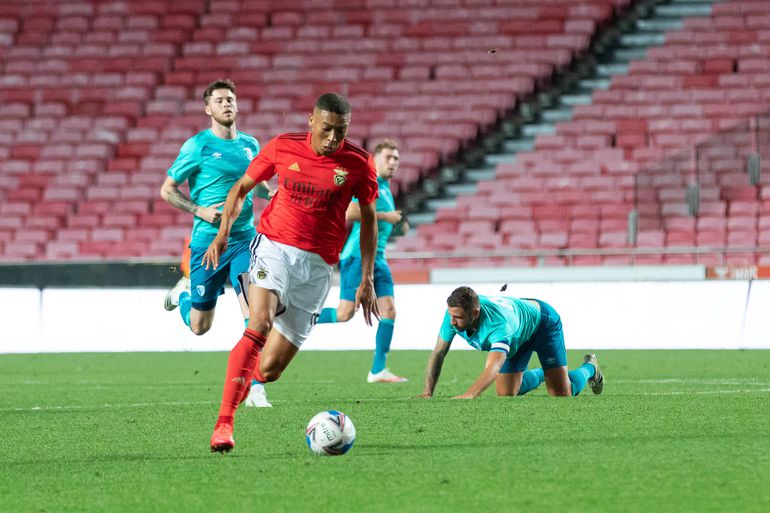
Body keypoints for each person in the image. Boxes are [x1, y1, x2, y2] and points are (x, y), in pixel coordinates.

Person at [203, 92, 380, 453]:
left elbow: (370, 220)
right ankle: (224, 423)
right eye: (327, 129)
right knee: (258, 325)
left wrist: (367, 278)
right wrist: (222, 234)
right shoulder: (283, 147)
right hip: (274, 248)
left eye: (341, 131)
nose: (333, 138)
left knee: (269, 370)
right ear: (311, 121)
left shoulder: (359, 164)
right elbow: (241, 188)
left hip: (317, 269)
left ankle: (244, 378)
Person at [159, 79, 273, 407]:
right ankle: (183, 295)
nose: (226, 104)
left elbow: (256, 182)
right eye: (219, 100)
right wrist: (198, 210)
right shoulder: (197, 146)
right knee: (200, 326)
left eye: (230, 99)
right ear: (207, 109)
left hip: (244, 241)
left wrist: (272, 193)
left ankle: (255, 387)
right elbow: (167, 189)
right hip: (207, 243)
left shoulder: (250, 144)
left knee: (255, 313)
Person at [317, 138, 409, 383]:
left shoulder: (386, 188)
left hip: (379, 258)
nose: (393, 162)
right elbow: (351, 212)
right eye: (388, 157)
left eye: (396, 158)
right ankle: (299, 317)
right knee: (345, 313)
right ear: (374, 159)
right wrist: (387, 216)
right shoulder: (370, 182)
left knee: (389, 310)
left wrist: (397, 226)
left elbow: (378, 222)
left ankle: (378, 370)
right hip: (358, 255)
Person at [420, 286, 604, 399]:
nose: (452, 322)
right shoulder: (453, 315)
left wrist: (470, 394)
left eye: (458, 317)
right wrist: (428, 392)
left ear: (475, 313)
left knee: (562, 393)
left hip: (542, 323)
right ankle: (546, 373)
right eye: (451, 315)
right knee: (506, 393)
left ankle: (590, 367)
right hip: (518, 328)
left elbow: (494, 365)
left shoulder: (498, 325)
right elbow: (439, 352)